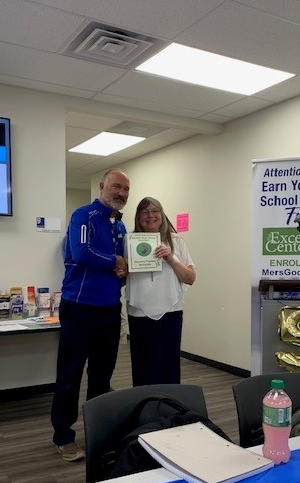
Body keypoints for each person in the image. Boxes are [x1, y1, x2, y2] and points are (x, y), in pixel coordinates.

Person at [51, 169, 130, 461]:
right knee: (70, 374)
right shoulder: (82, 215)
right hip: (79, 308)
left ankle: (98, 430)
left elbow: (122, 267)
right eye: (117, 186)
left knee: (102, 376)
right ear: (102, 186)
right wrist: (116, 261)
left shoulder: (120, 227)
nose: (121, 193)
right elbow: (81, 253)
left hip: (110, 309)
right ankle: (63, 435)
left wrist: (123, 269)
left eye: (126, 189)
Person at [125, 197, 195, 387]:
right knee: (142, 366)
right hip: (139, 311)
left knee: (169, 365)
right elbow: (121, 278)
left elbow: (190, 278)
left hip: (171, 311)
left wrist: (171, 259)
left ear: (162, 214)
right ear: (138, 217)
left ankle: (170, 409)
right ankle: (144, 409)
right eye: (145, 212)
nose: (150, 216)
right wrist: (123, 269)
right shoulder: (128, 240)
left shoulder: (176, 241)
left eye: (155, 211)